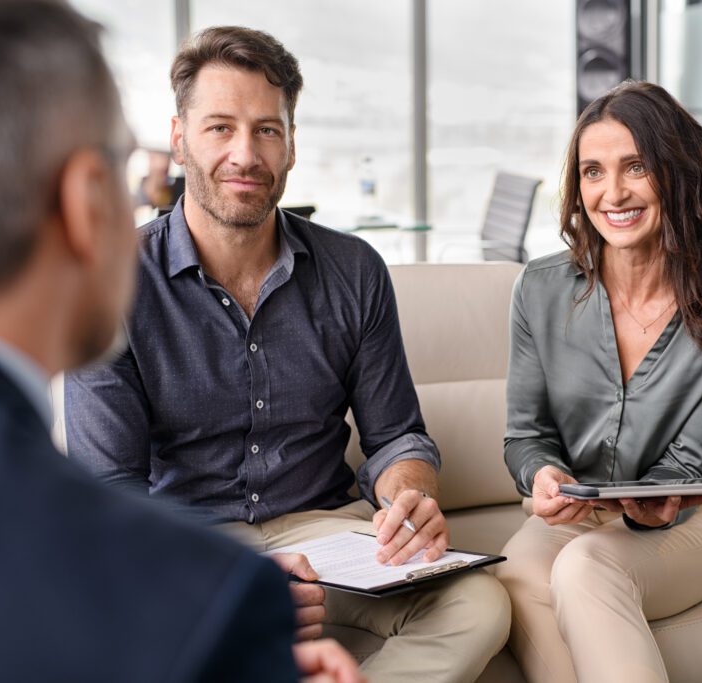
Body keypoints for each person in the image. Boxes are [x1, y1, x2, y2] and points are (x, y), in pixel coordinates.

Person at [64, 24, 510, 683]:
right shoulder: (111, 281)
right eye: (220, 127)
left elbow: (396, 438)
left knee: (479, 605)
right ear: (180, 137)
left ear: (292, 145)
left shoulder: (354, 269)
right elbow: (112, 500)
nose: (245, 153)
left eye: (267, 129)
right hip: (193, 541)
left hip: (329, 535)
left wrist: (409, 495)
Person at [0, 2, 362, 682]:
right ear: (88, 200)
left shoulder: (350, 269)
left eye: (266, 129)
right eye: (125, 163)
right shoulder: (212, 600)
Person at [495, 81, 702, 683]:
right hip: (582, 509)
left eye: (636, 167)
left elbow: (687, 468)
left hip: (700, 515)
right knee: (515, 572)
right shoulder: (539, 290)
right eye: (593, 171)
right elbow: (526, 436)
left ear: (678, 174)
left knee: (587, 569)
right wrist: (542, 474)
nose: (612, 192)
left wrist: (655, 504)